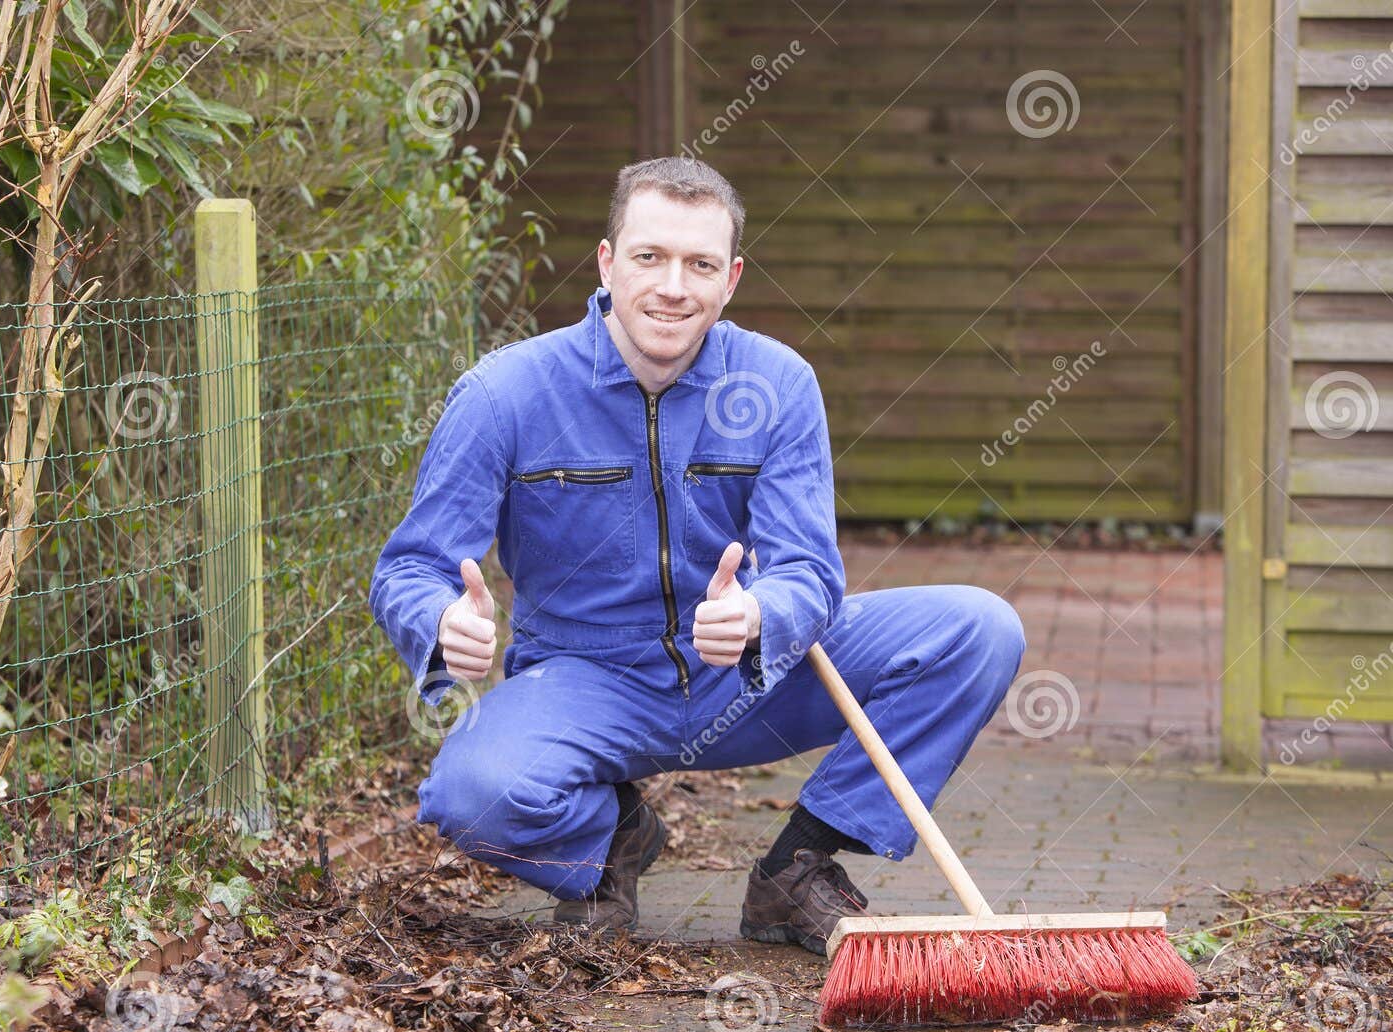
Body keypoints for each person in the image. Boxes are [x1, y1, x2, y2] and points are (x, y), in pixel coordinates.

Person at [369, 156, 1025, 952]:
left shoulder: (778, 383)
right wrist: (438, 620)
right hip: (587, 683)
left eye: (700, 264)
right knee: (470, 793)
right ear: (608, 262)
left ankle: (799, 867)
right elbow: (411, 566)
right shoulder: (505, 393)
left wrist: (761, 613)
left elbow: (812, 572)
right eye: (650, 257)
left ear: (731, 278)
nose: (673, 286)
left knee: (978, 628)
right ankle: (611, 836)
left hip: (749, 678)